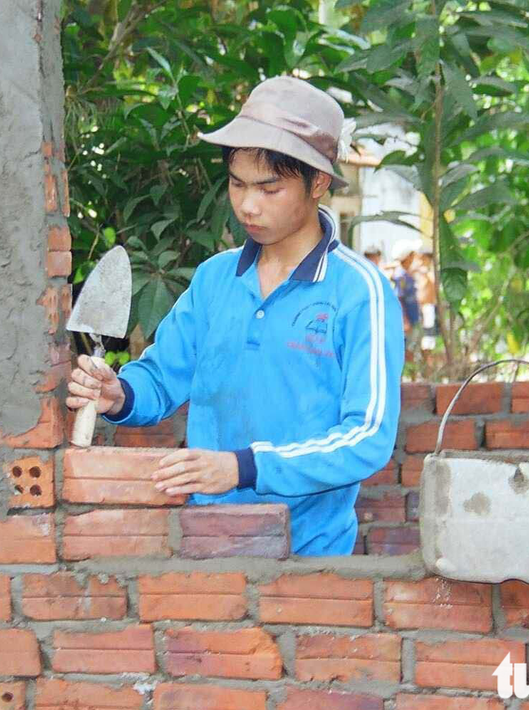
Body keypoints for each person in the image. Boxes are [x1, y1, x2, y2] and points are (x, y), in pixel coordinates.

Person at [65, 76, 404, 556]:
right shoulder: (214, 279)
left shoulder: (359, 292)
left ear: (319, 183)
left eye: (270, 188)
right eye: (237, 183)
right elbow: (161, 380)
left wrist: (244, 467)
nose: (247, 205)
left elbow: (366, 438)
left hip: (310, 557)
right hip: (208, 545)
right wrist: (119, 392)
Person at [391, 239, 422, 360]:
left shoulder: (406, 274)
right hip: (407, 319)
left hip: (412, 317)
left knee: (412, 349)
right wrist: (404, 320)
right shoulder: (401, 276)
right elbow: (399, 298)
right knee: (407, 351)